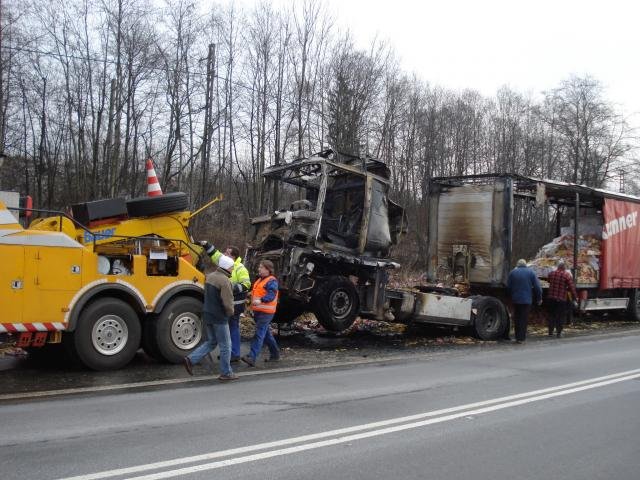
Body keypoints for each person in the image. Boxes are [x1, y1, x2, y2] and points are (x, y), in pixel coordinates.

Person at [183, 254, 238, 382]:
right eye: (232, 267)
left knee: (212, 342)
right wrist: (230, 313)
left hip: (207, 314)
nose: (232, 269)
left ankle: (190, 359)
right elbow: (227, 302)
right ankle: (226, 372)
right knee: (226, 345)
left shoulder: (210, 276)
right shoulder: (225, 281)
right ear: (227, 267)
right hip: (219, 317)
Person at [198, 241, 251, 361]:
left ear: (233, 256)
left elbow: (247, 284)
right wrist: (206, 244)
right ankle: (229, 353)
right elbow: (215, 254)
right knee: (227, 329)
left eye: (227, 253)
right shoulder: (225, 263)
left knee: (233, 328)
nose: (224, 254)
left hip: (235, 304)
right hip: (226, 303)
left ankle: (234, 353)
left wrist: (231, 288)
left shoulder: (240, 268)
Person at [241, 260, 280, 366]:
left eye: (261, 267)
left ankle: (252, 357)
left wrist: (261, 300)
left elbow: (271, 295)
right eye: (259, 267)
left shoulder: (272, 281)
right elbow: (256, 293)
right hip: (258, 311)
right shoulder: (259, 280)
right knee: (266, 334)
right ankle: (275, 354)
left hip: (266, 312)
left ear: (268, 269)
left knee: (259, 334)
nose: (259, 269)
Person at [507, 258, 543, 344]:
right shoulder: (531, 272)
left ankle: (517, 336)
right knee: (523, 318)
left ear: (517, 264)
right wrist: (539, 298)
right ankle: (521, 338)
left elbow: (508, 287)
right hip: (526, 300)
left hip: (516, 299)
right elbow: (537, 287)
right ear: (525, 264)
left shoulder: (512, 273)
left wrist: (510, 296)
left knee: (517, 318)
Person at [546, 260, 578, 338]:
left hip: (551, 298)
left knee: (551, 315)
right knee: (560, 316)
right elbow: (571, 287)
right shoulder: (567, 275)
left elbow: (548, 280)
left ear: (558, 267)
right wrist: (575, 297)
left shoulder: (551, 274)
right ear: (564, 268)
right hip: (561, 299)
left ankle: (550, 332)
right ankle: (559, 333)